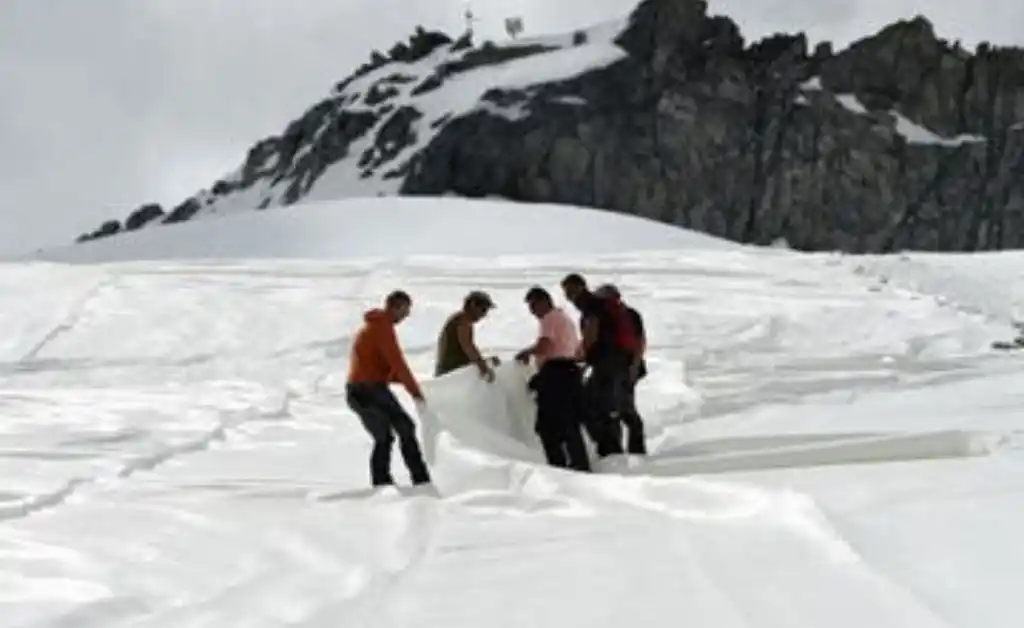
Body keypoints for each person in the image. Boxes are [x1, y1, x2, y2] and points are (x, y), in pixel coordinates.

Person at [345, 290, 431, 487]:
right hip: (367, 390)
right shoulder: (382, 328)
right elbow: (397, 362)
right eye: (405, 311)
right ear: (396, 307)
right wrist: (415, 391)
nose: (406, 316)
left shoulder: (375, 326)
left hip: (361, 389)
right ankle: (419, 480)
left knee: (385, 436)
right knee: (401, 429)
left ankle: (384, 481)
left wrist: (404, 382)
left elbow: (380, 366)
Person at [560, 273, 640, 457]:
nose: (569, 297)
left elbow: (592, 329)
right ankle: (616, 450)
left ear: (581, 287)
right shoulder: (598, 305)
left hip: (607, 364)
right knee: (607, 406)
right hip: (614, 363)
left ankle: (611, 452)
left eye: (571, 291)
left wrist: (580, 353)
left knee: (595, 406)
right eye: (566, 293)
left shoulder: (589, 304)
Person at [515, 286, 591, 472]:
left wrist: (528, 352)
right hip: (571, 372)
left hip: (556, 373)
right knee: (569, 422)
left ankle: (558, 466)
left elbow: (546, 346)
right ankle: (579, 463)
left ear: (543, 302)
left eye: (533, 307)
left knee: (547, 426)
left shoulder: (549, 319)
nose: (533, 312)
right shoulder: (564, 319)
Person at [595, 283, 647, 455]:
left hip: (616, 368)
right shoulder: (631, 314)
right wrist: (635, 366)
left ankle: (617, 451)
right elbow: (640, 342)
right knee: (622, 408)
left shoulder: (606, 317)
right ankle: (634, 448)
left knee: (616, 409)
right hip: (627, 366)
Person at [435, 290, 499, 381]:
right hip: (451, 373)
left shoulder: (459, 319)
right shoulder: (463, 322)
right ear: (473, 306)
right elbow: (468, 347)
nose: (484, 315)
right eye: (483, 310)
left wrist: (485, 362)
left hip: (453, 369)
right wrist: (483, 367)